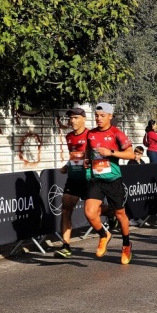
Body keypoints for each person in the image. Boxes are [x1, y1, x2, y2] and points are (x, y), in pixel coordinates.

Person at [84, 103, 135, 264]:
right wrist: (87, 161)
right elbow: (88, 152)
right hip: (96, 180)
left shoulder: (116, 133)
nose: (98, 119)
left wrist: (111, 153)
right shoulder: (90, 134)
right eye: (97, 116)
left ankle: (126, 244)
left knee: (120, 215)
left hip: (113, 180)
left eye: (102, 116)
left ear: (110, 116)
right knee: (90, 212)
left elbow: (131, 155)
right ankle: (104, 235)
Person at [55, 106, 91, 258]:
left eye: (76, 118)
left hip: (90, 178)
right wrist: (66, 166)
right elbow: (74, 156)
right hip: (74, 178)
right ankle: (66, 246)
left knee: (91, 212)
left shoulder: (91, 134)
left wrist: (90, 162)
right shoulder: (69, 137)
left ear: (84, 119)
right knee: (66, 209)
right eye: (70, 118)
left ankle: (111, 213)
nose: (72, 121)